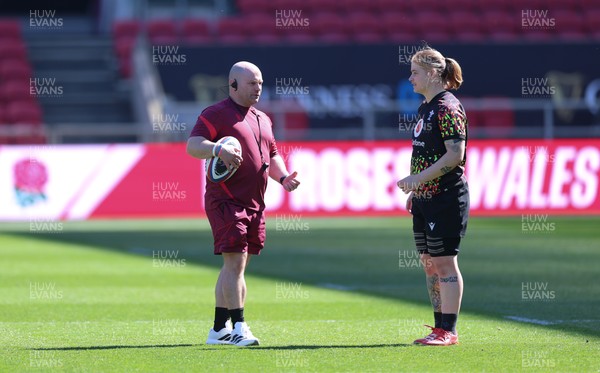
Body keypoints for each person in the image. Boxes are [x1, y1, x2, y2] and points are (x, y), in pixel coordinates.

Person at [186, 61, 300, 346]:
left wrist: (283, 177)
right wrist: (217, 148)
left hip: (254, 203)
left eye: (260, 83)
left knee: (235, 266)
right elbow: (193, 145)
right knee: (235, 262)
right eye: (252, 83)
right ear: (233, 85)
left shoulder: (263, 118)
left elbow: (271, 154)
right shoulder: (216, 113)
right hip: (225, 200)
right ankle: (239, 327)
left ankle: (218, 329)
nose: (258, 87)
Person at [397, 47, 469, 346]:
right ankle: (438, 327)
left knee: (445, 263)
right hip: (426, 198)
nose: (410, 78)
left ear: (432, 73)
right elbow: (428, 154)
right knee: (429, 262)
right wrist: (417, 189)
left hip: (446, 197)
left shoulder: (447, 107)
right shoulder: (426, 107)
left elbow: (455, 154)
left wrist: (418, 179)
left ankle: (448, 331)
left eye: (415, 72)